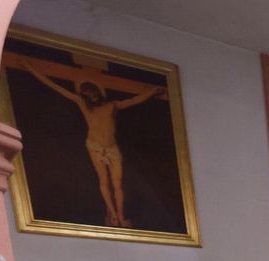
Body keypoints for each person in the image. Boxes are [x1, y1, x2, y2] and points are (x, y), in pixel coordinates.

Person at [21, 59, 164, 228]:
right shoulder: (83, 104)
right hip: (95, 146)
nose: (91, 95)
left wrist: (152, 91)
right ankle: (113, 214)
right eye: (87, 93)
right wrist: (31, 68)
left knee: (117, 183)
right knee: (104, 180)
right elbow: (56, 87)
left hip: (111, 147)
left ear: (98, 92)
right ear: (84, 95)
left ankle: (120, 214)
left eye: (93, 92)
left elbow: (134, 100)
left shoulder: (113, 105)